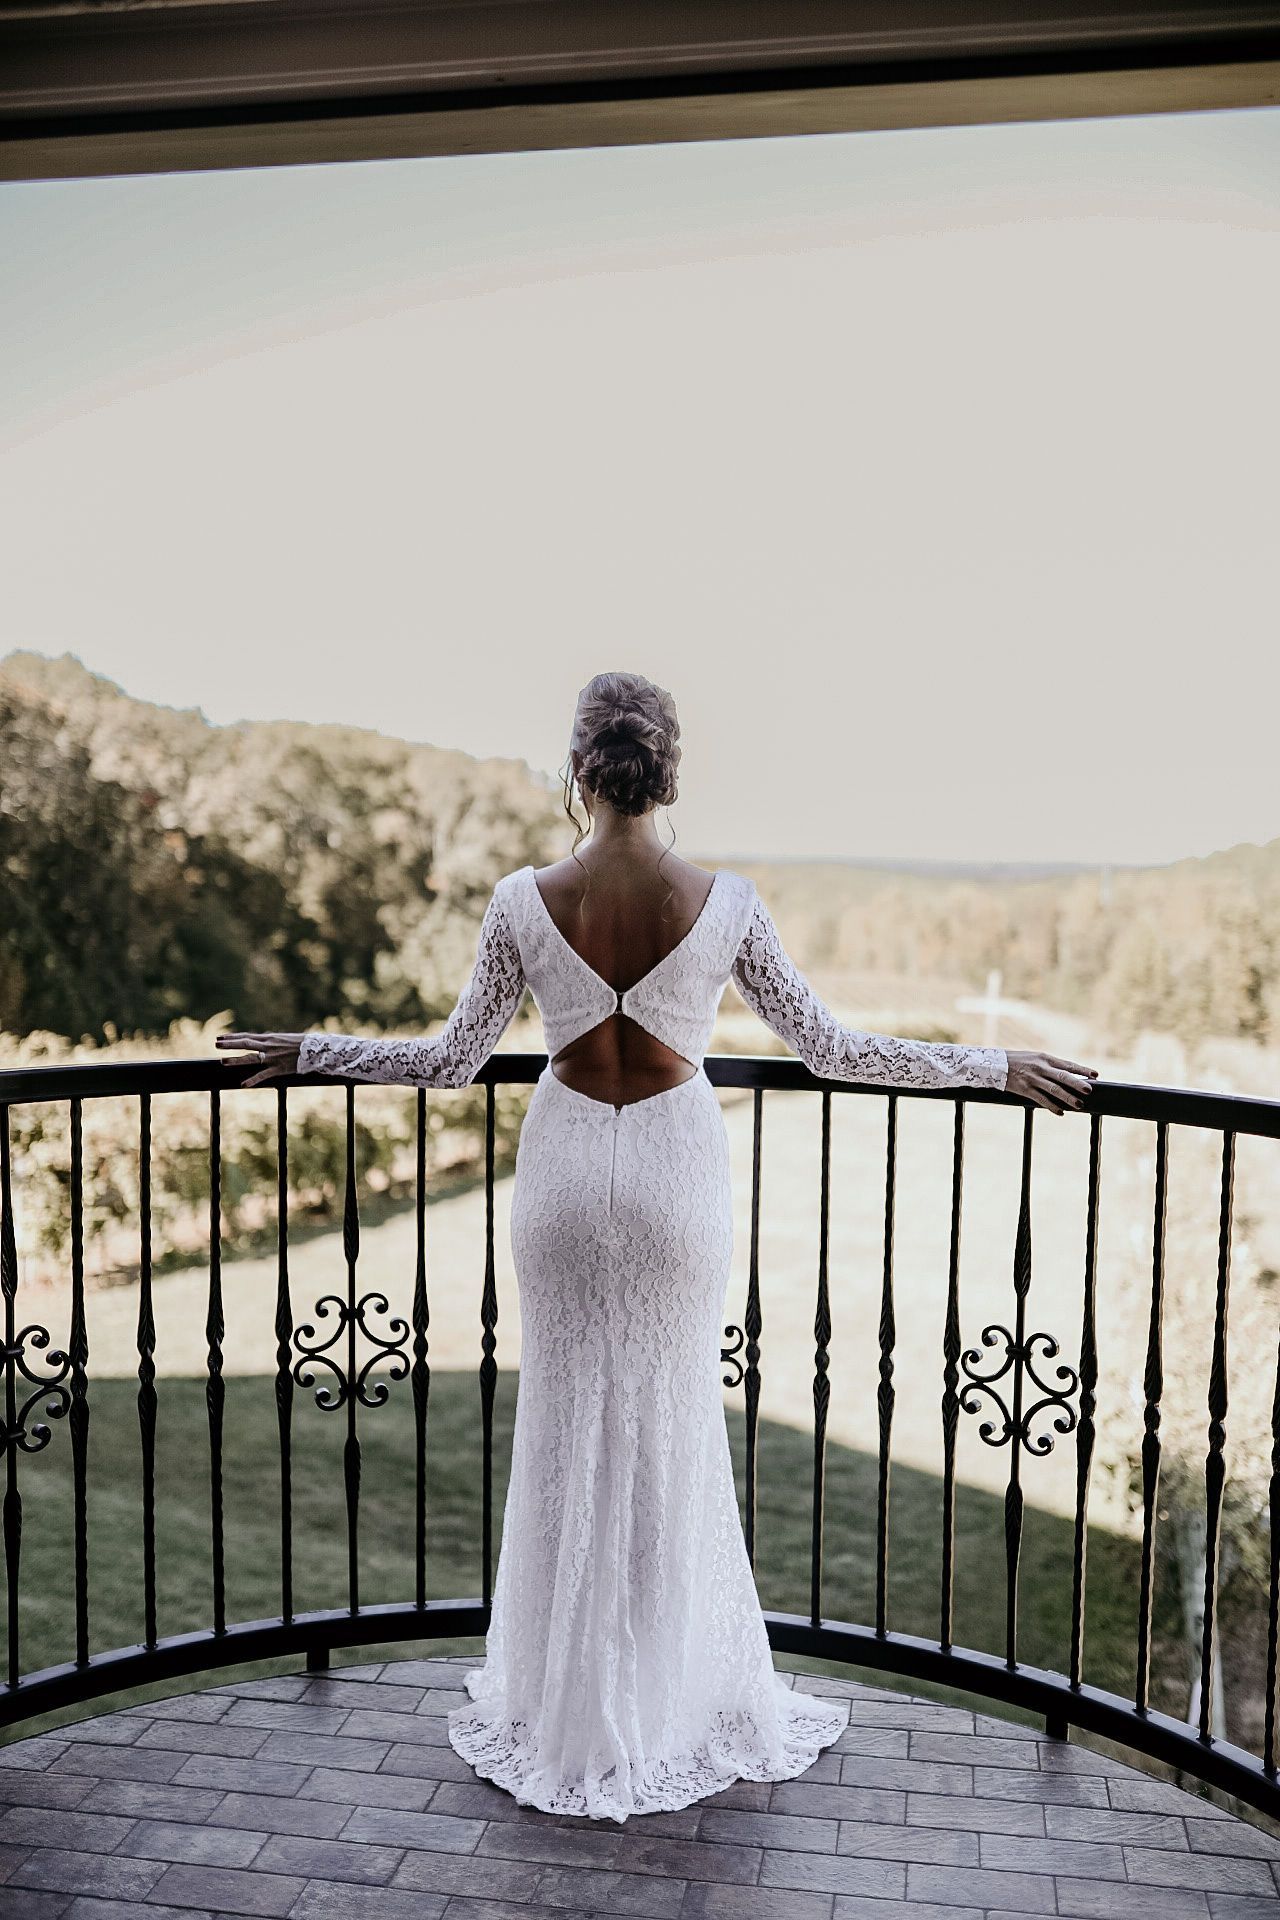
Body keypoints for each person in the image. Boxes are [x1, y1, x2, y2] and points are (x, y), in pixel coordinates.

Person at [217, 670, 1096, 1822]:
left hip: (567, 1179)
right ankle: (665, 1693)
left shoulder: (520, 902)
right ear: (666, 769)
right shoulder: (725, 902)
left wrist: (312, 1051)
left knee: (568, 1425)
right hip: (676, 1177)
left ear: (574, 769)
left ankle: (563, 1700)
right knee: (670, 1428)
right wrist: (991, 1066)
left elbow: (446, 1059)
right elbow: (831, 1049)